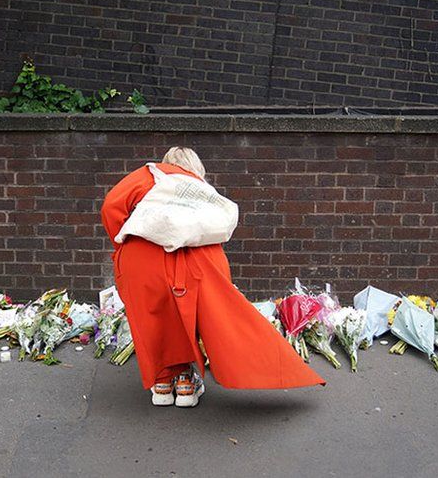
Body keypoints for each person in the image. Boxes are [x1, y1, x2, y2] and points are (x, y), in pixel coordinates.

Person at [100, 147, 324, 408]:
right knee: (196, 315)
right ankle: (185, 381)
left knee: (152, 317)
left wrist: (123, 241)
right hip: (196, 262)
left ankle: (162, 383)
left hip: (142, 258)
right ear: (196, 168)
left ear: (167, 163)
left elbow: (111, 206)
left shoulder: (148, 176)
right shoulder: (202, 190)